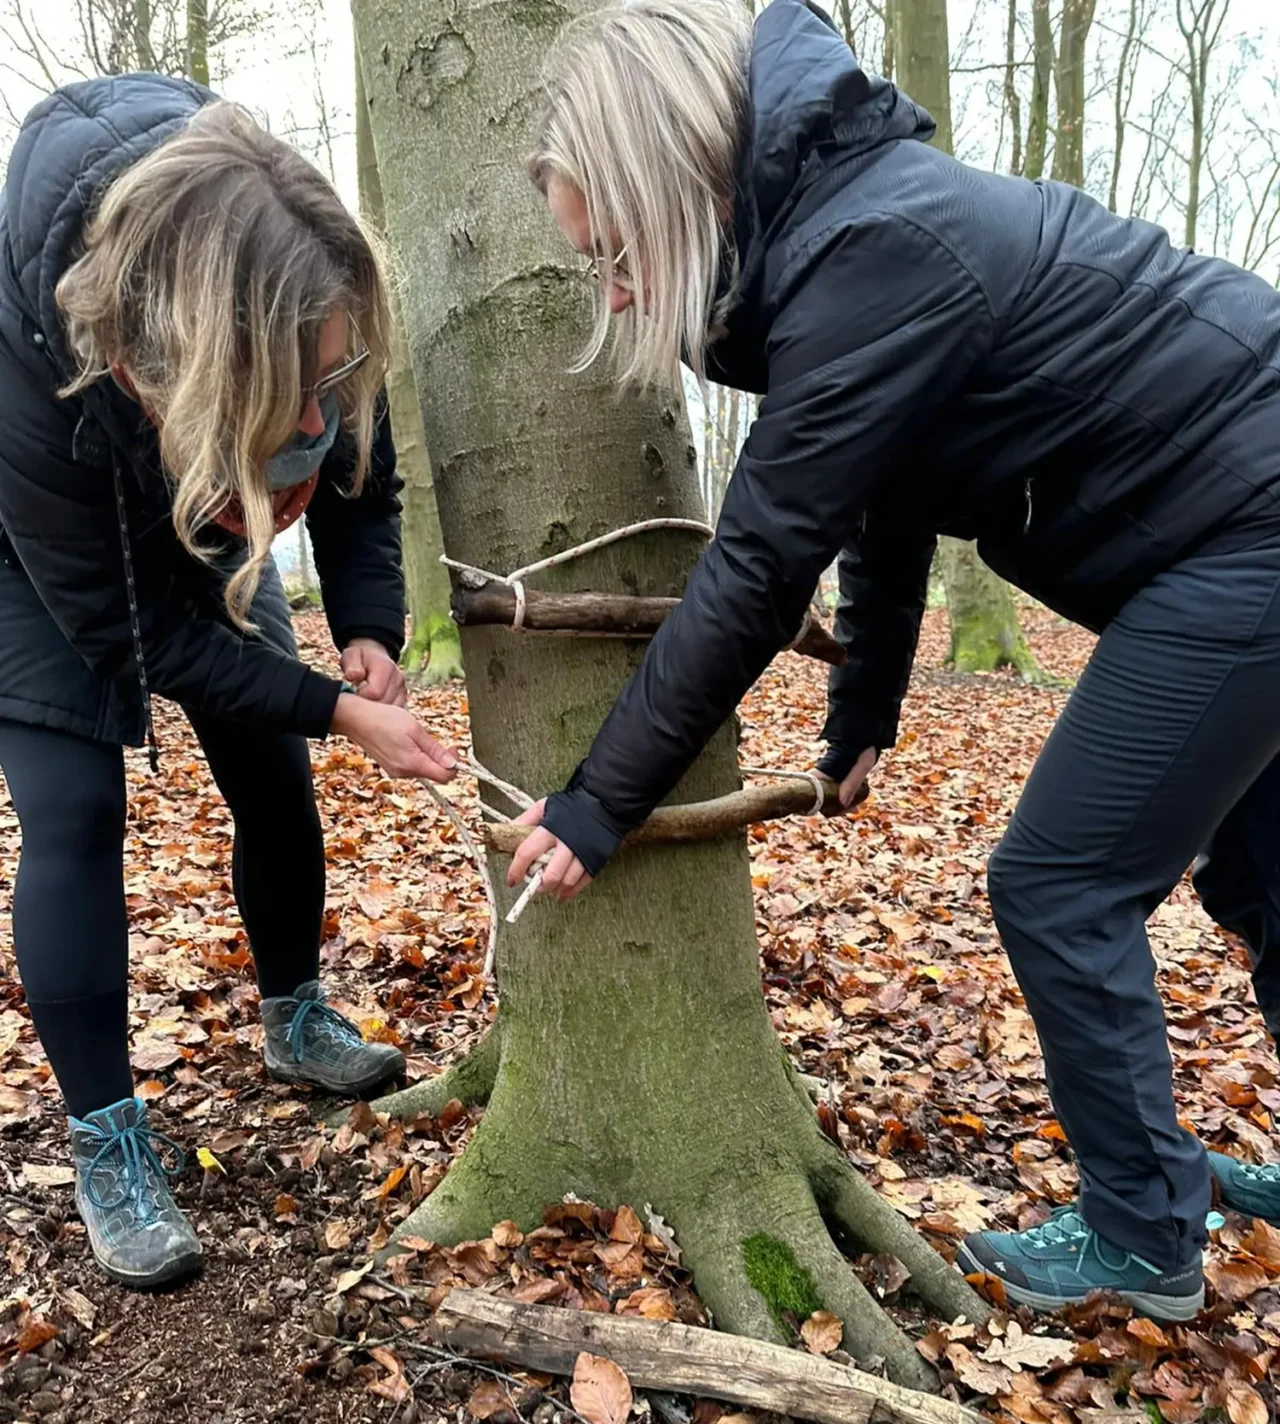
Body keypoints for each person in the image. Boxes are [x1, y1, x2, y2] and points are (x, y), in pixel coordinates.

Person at [510, 0, 1280, 1323]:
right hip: (1228, 527)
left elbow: (758, 567)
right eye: (597, 271)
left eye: (619, 253)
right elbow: (894, 492)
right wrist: (866, 703)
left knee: (1059, 880)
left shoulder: (874, 247)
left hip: (1249, 535)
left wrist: (597, 800)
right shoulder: (846, 239)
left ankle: (1144, 1232)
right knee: (1267, 866)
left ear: (676, 184)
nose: (620, 293)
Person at [0, 77, 459, 1289]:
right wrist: (333, 708)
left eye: (323, 371)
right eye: (286, 394)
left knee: (269, 763)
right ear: (182, 360)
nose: (312, 411)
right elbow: (130, 638)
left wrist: (362, 623)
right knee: (74, 809)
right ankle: (106, 1138)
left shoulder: (286, 254)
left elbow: (356, 457)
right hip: (45, 542)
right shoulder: (39, 361)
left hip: (206, 500)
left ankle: (295, 1016)